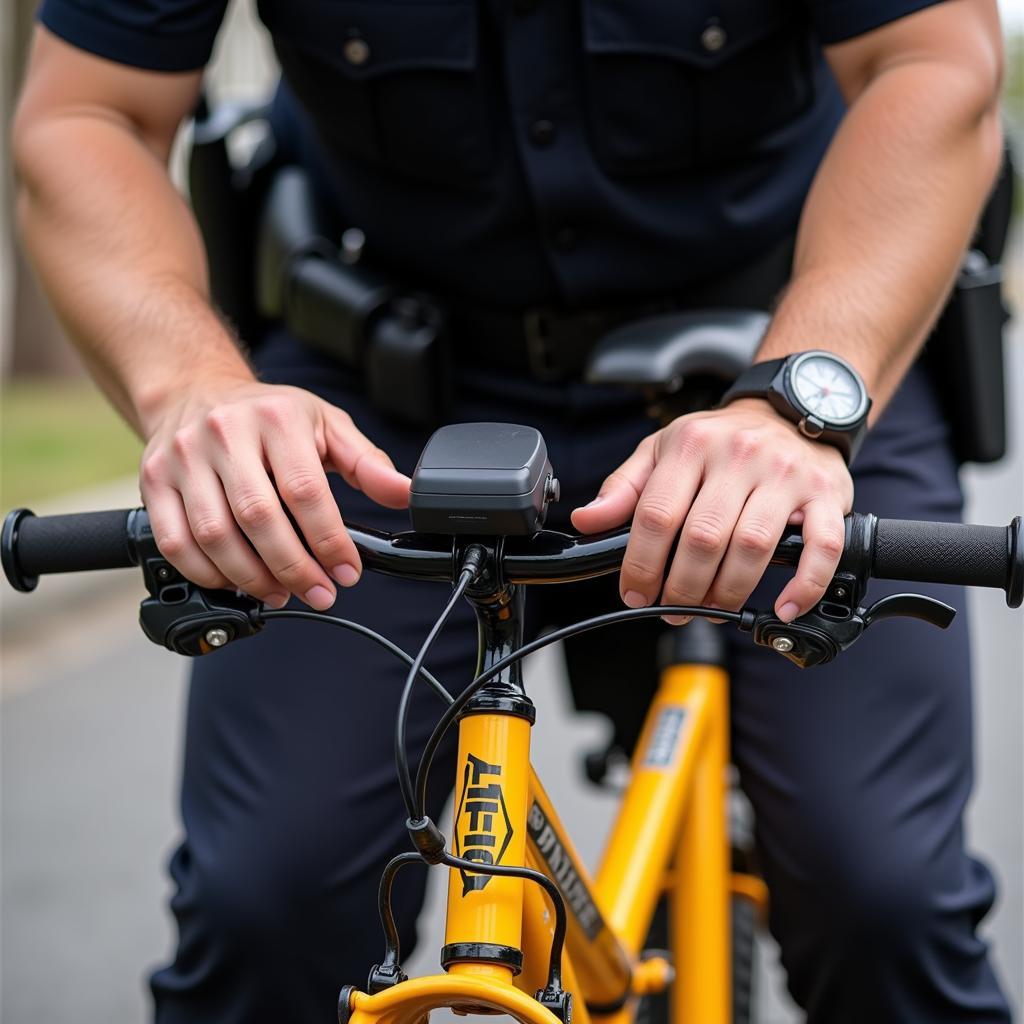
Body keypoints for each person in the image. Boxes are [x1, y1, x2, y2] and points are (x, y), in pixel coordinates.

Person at [11, 0, 1012, 1020]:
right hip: (377, 399)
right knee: (260, 910)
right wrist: (191, 386)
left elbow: (930, 61)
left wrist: (798, 400)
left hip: (778, 369)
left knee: (884, 900)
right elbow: (93, 112)